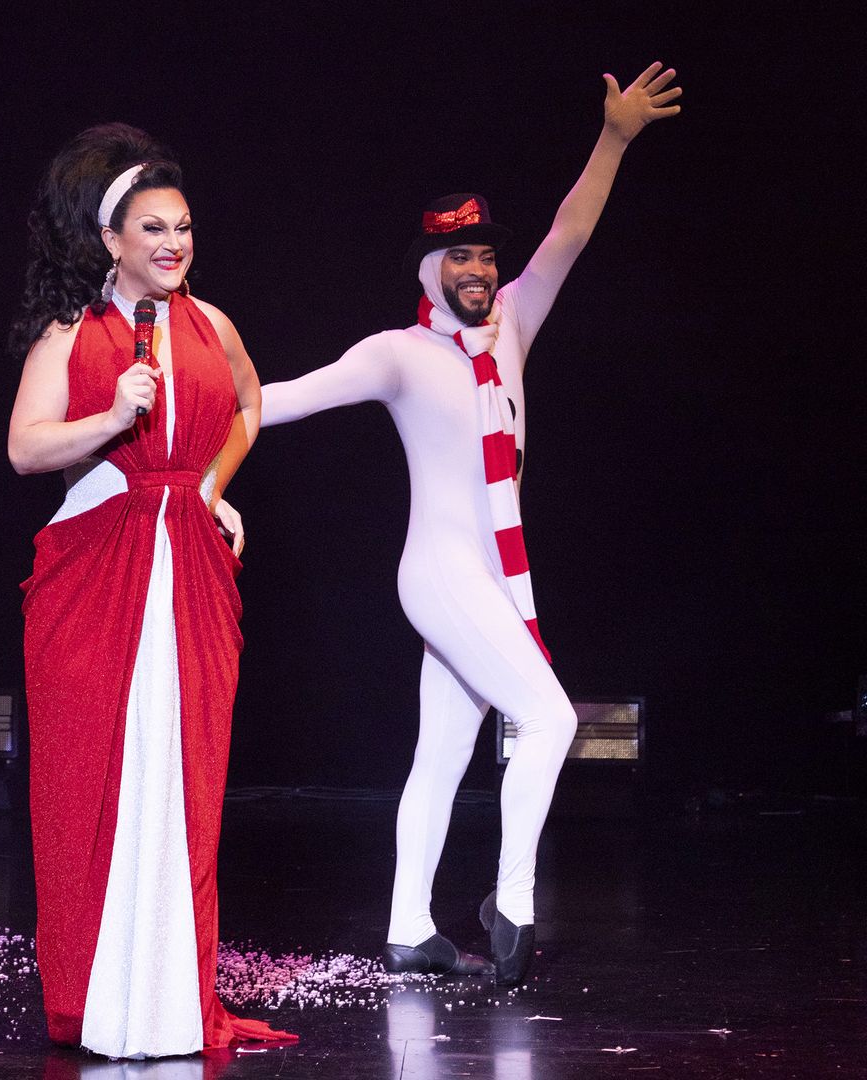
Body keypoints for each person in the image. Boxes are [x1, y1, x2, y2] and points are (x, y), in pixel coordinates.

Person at [259, 63, 682, 985]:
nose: (481, 270)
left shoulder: (516, 328)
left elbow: (570, 235)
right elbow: (281, 398)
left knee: (444, 755)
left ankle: (409, 924)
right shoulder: (400, 354)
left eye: (488, 256)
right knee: (552, 718)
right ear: (428, 269)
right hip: (440, 570)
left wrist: (613, 137)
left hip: (492, 575)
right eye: (460, 257)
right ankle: (513, 907)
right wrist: (176, 396)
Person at [7, 123, 292, 1058]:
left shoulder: (214, 325)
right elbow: (23, 448)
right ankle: (96, 999)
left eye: (184, 227)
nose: (174, 244)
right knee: (94, 781)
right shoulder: (70, 331)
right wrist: (110, 415)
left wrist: (212, 487)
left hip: (191, 568)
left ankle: (170, 1000)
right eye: (153, 229)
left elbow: (251, 404)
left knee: (183, 780)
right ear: (110, 240)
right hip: (98, 564)